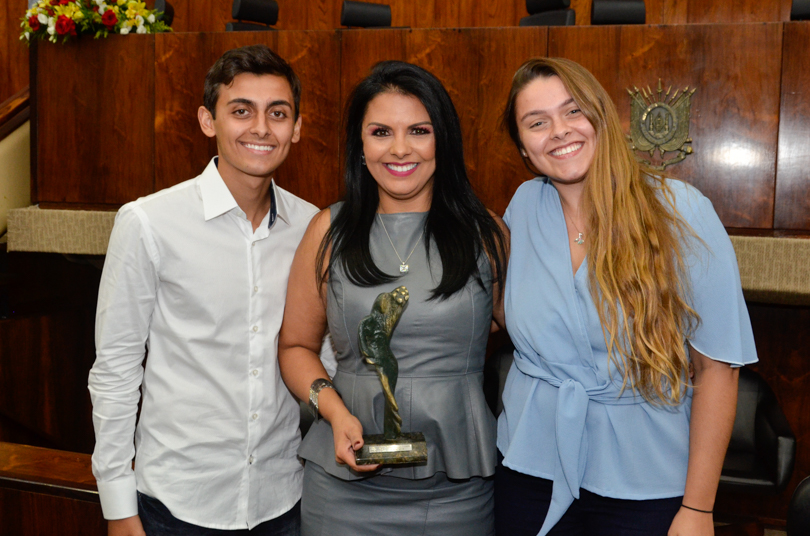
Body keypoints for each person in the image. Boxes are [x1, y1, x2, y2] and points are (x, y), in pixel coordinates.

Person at [495, 57, 758, 536]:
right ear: (523, 149)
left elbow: (717, 369)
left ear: (601, 117)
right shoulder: (524, 207)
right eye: (537, 122)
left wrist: (698, 509)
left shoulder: (681, 211)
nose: (559, 130)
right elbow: (507, 313)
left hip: (645, 477)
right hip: (531, 466)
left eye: (573, 111)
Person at [88, 44, 320, 536]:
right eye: (242, 111)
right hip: (175, 506)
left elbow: (323, 354)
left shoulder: (312, 228)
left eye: (278, 113)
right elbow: (115, 370)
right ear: (207, 121)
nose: (262, 128)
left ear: (297, 128)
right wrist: (117, 507)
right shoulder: (149, 222)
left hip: (284, 501)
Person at [277, 60, 507, 536]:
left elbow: (522, 331)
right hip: (343, 491)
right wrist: (334, 412)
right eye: (381, 132)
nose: (400, 148)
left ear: (442, 140)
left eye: (419, 130)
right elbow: (295, 347)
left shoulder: (486, 234)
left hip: (457, 489)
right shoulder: (328, 232)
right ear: (360, 146)